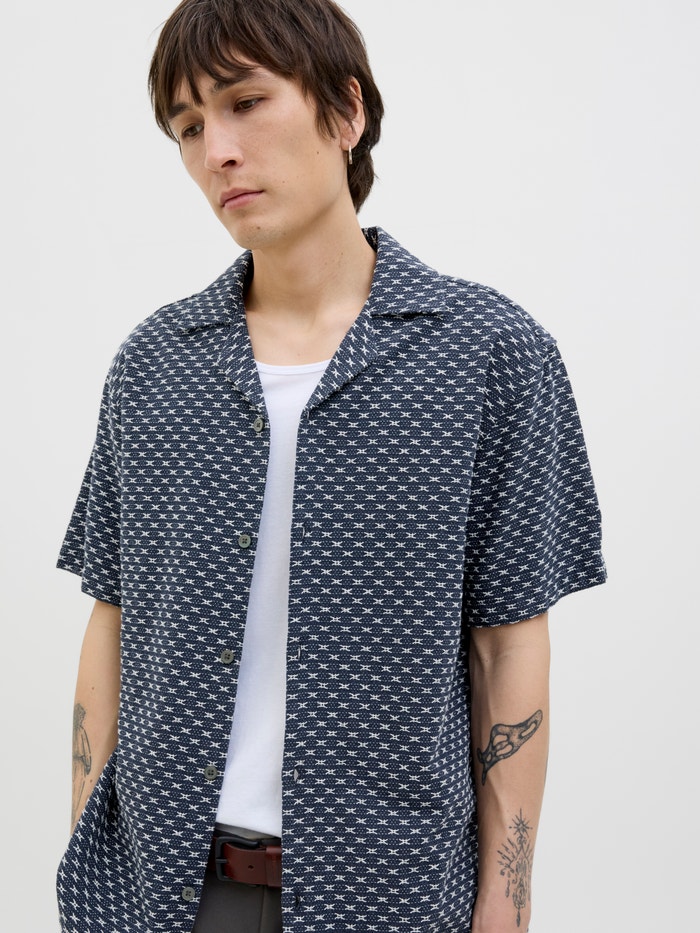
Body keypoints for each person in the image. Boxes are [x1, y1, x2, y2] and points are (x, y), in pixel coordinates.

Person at [56, 1, 606, 931]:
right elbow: (111, 621)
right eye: (187, 127)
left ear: (345, 111)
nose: (216, 152)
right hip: (160, 897)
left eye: (244, 103)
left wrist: (506, 905)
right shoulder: (154, 364)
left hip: (391, 895)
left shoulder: (488, 353)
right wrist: (84, 862)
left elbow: (510, 643)